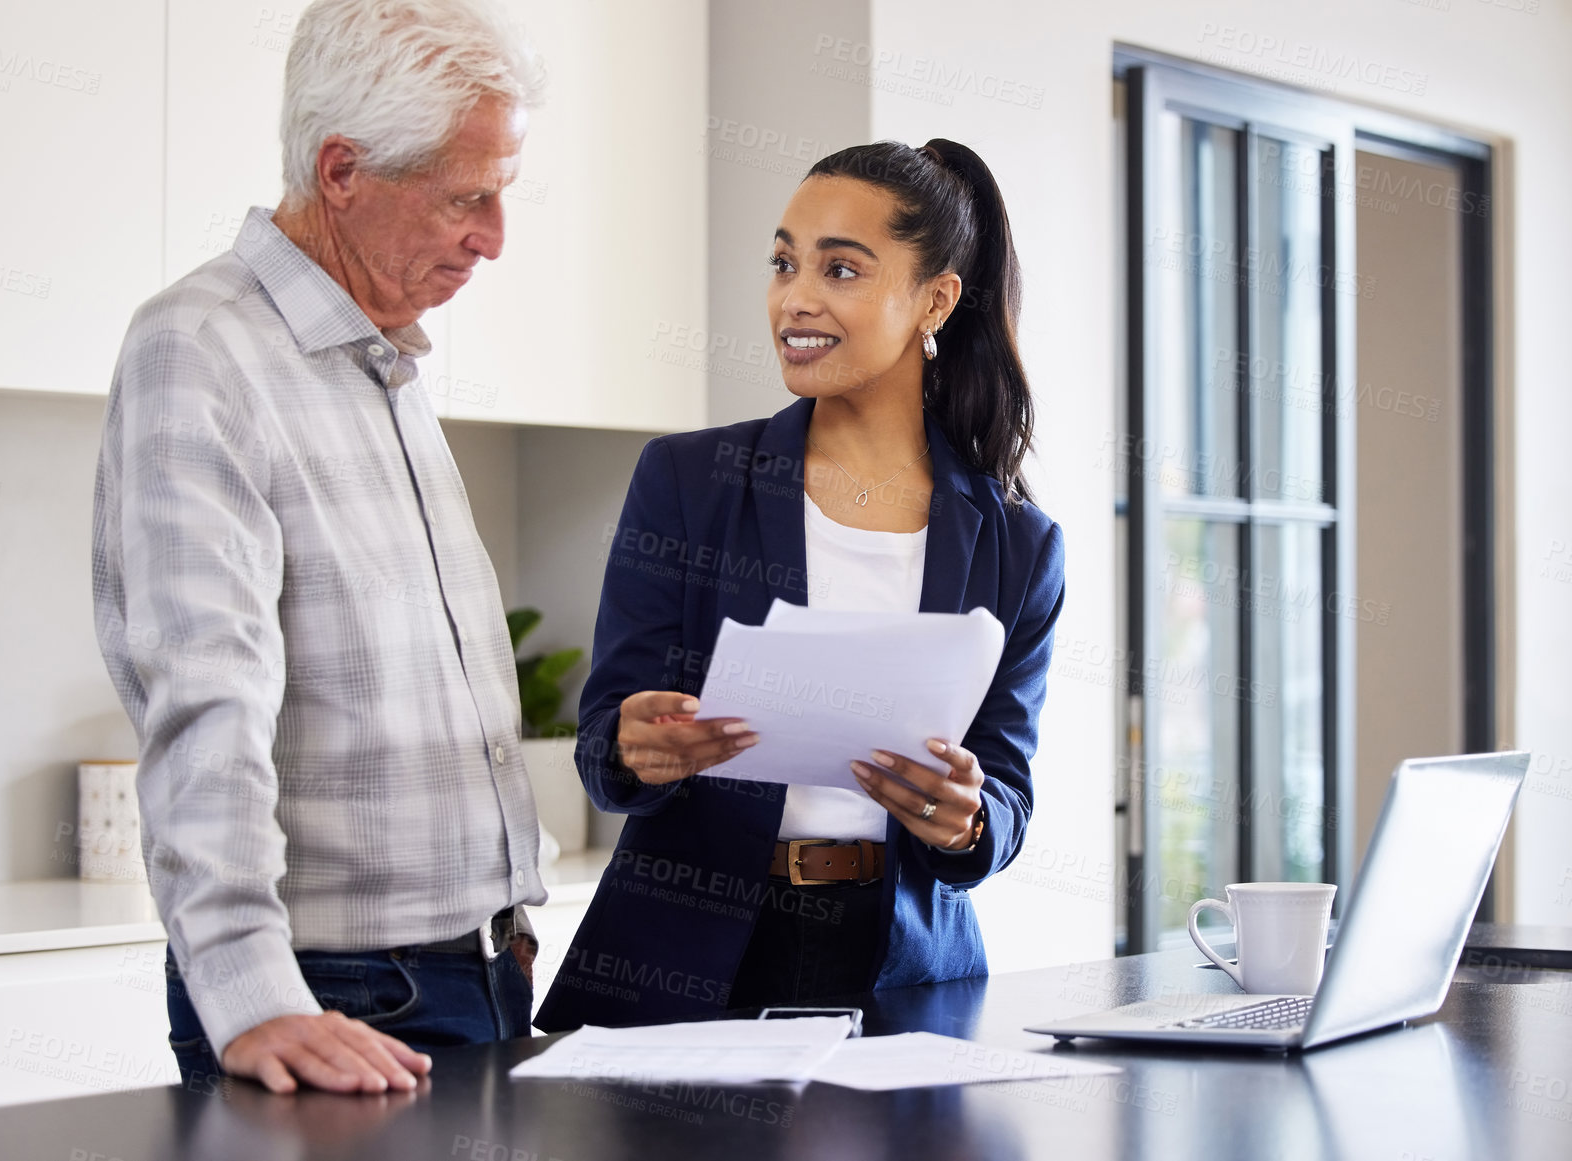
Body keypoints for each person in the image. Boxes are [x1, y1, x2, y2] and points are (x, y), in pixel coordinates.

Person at [91, 0, 546, 1095]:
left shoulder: (378, 358)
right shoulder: (203, 350)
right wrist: (249, 995)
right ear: (341, 170)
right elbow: (207, 696)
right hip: (337, 993)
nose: (492, 237)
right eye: (465, 199)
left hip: (474, 975)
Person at [535, 139, 1066, 1031]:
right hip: (687, 961)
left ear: (935, 299)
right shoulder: (686, 481)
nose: (796, 298)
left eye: (842, 269)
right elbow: (603, 744)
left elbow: (1005, 787)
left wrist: (968, 820)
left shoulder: (1017, 541)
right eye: (784, 263)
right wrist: (636, 747)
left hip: (906, 972)